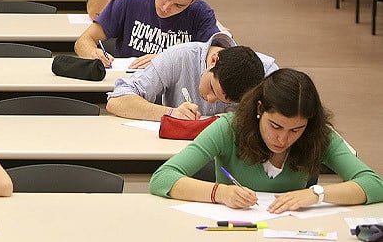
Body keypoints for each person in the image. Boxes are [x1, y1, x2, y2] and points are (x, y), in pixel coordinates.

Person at [149, 69, 383, 211]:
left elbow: (374, 184)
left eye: (296, 130)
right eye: (275, 126)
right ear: (260, 109)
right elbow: (163, 178)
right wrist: (220, 193)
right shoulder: (228, 128)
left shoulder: (318, 135)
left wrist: (317, 194)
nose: (282, 139)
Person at [75, 0, 220, 68]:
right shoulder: (129, 0)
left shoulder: (201, 13)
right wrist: (92, 53)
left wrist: (167, 59)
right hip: (127, 87)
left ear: (194, 0)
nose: (165, 7)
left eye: (179, 5)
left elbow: (218, 55)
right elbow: (83, 41)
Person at [106, 32, 277, 121]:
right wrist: (170, 113)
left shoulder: (267, 73)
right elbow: (117, 100)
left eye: (223, 101)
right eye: (211, 88)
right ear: (214, 61)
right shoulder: (179, 57)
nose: (210, 100)